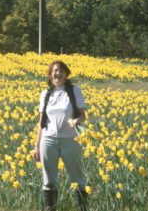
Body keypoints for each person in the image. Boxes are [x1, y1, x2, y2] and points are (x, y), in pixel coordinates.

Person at [33, 61, 88, 211]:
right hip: (48, 140)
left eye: (62, 71)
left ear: (66, 74)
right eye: (56, 71)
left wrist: (76, 120)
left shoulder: (74, 90)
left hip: (70, 140)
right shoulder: (45, 94)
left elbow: (83, 116)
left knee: (78, 178)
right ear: (50, 74)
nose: (59, 73)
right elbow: (41, 122)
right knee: (49, 181)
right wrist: (37, 146)